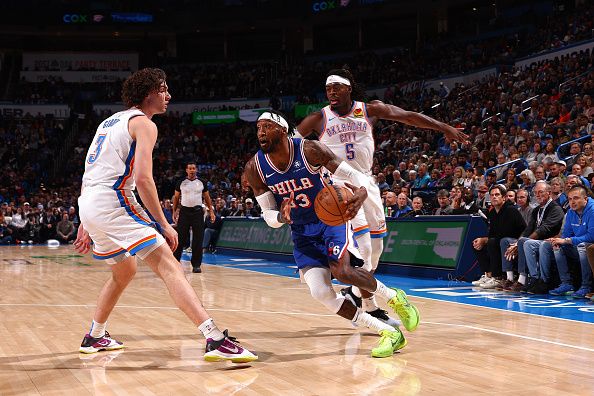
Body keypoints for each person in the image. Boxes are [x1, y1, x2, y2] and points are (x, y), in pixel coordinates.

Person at [74, 68, 256, 362]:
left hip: (91, 202)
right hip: (113, 200)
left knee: (125, 271)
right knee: (170, 265)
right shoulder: (144, 124)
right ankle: (215, 338)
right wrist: (164, 224)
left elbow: (89, 173)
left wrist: (85, 219)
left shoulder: (108, 123)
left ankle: (95, 335)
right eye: (163, 89)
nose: (168, 95)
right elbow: (144, 179)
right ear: (148, 94)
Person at [245, 110, 420, 358]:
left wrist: (361, 191)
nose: (261, 132)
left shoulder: (309, 150)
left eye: (267, 126)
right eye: (258, 128)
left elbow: (350, 173)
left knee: (343, 272)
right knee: (320, 292)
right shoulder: (255, 168)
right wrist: (282, 218)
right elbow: (267, 215)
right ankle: (388, 333)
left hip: (330, 221)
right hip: (302, 232)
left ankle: (394, 298)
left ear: (282, 130)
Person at [296, 68, 467, 319]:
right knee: (364, 250)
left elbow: (408, 117)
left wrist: (443, 127)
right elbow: (289, 147)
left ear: (349, 89)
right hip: (339, 189)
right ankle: (371, 307)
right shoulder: (318, 118)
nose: (331, 91)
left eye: (336, 87)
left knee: (375, 252)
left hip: (367, 182)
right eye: (328, 87)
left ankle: (357, 291)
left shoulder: (368, 110)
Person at [503, 181, 564, 293]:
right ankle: (529, 279)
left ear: (549, 193)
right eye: (535, 193)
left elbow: (543, 229)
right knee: (513, 241)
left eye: (541, 192)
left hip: (550, 241)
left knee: (527, 242)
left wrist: (522, 241)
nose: (537, 195)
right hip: (538, 242)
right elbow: (528, 229)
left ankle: (527, 279)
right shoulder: (536, 210)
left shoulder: (556, 208)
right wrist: (517, 243)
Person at [540, 186, 594, 298]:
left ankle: (586, 286)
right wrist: (560, 241)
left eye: (576, 198)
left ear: (586, 199)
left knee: (582, 246)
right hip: (577, 245)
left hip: (589, 247)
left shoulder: (592, 211)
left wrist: (567, 240)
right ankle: (566, 283)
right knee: (558, 245)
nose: (572, 202)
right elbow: (566, 234)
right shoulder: (570, 212)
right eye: (570, 199)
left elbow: (591, 236)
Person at [471, 185, 526, 289]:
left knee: (492, 242)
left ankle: (498, 277)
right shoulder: (492, 213)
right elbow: (492, 233)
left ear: (504, 197)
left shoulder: (511, 210)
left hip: (514, 241)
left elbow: (512, 232)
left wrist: (486, 240)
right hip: (500, 240)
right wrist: (482, 240)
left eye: (497, 195)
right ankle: (489, 274)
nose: (494, 197)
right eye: (492, 195)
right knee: (476, 243)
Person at [172, 162, 215, 273]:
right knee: (180, 238)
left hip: (197, 212)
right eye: (190, 168)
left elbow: (207, 197)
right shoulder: (180, 182)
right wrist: (174, 211)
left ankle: (196, 265)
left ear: (196, 170)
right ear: (186, 170)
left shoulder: (202, 182)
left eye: (194, 168)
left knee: (198, 239)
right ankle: (175, 263)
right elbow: (176, 198)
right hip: (184, 212)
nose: (192, 170)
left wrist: (211, 212)